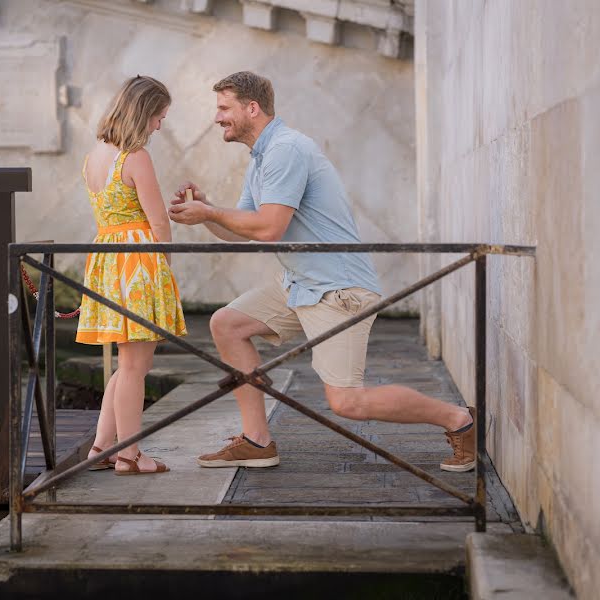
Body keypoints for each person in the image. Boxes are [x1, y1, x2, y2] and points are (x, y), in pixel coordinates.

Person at [168, 71, 476, 472]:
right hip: (301, 283)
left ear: (252, 108)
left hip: (337, 289)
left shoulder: (286, 150)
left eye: (224, 108)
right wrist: (207, 213)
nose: (217, 118)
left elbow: (270, 228)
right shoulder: (262, 156)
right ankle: (256, 441)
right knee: (227, 324)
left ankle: (460, 420)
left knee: (348, 402)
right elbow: (242, 230)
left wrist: (209, 212)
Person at [76, 75, 187, 475]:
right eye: (160, 116)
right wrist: (165, 269)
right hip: (139, 263)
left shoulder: (93, 156)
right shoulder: (135, 156)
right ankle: (130, 454)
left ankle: (101, 449)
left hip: (107, 261)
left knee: (125, 365)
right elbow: (158, 222)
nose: (160, 124)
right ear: (145, 112)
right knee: (136, 368)